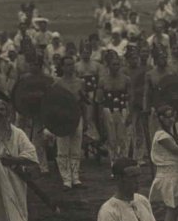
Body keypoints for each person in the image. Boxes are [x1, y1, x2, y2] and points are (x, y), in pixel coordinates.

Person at [53, 55, 88, 189]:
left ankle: (75, 177)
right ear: (62, 67)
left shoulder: (80, 82)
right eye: (67, 65)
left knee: (76, 148)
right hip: (62, 119)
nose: (70, 67)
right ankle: (66, 179)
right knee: (63, 149)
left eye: (72, 64)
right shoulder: (58, 83)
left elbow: (84, 103)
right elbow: (53, 104)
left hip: (77, 116)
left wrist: (85, 120)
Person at [96, 55, 131, 167]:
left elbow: (130, 97)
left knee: (123, 137)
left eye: (118, 64)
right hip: (108, 109)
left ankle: (123, 161)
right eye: (113, 64)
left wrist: (129, 113)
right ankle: (113, 163)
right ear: (108, 65)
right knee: (112, 138)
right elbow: (99, 99)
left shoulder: (126, 79)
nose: (116, 67)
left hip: (122, 109)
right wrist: (100, 114)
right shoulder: (103, 80)